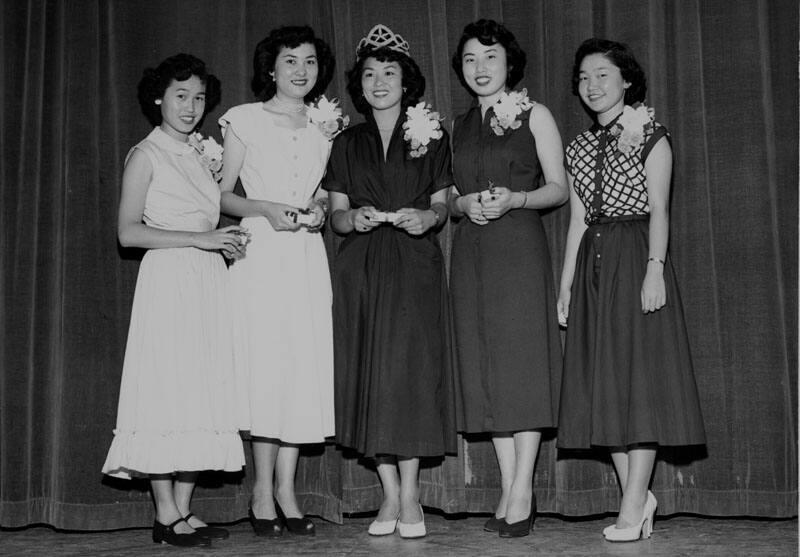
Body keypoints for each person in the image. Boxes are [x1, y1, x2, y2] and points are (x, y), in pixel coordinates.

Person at [556, 38, 706, 542]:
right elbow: (577, 219)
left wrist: (654, 269)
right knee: (605, 385)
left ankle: (634, 501)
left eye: (602, 74)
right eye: (583, 77)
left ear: (625, 81)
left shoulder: (651, 135)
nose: (592, 85)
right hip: (594, 263)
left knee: (638, 382)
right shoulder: (577, 147)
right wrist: (567, 284)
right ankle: (636, 497)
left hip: (636, 254)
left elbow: (660, 208)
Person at [102, 53, 246, 548]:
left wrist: (222, 238)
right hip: (168, 283)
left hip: (205, 282)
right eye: (181, 95)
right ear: (159, 97)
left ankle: (184, 510)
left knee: (200, 389)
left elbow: (204, 217)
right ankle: (164, 514)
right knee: (168, 389)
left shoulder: (197, 155)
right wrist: (199, 239)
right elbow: (127, 232)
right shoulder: (147, 154)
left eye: (199, 97)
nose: (190, 106)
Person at [325, 24, 456, 540]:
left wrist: (430, 218)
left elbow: (444, 200)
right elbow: (334, 211)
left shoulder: (431, 133)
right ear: (359, 83)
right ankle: (387, 493)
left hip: (413, 263)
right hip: (360, 266)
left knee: (409, 375)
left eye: (390, 72)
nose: (380, 81)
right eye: (370, 74)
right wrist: (349, 220)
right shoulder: (346, 142)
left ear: (407, 80)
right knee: (369, 373)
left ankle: (412, 495)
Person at [448, 19, 568, 538]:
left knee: (521, 368)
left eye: (490, 57)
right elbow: (450, 197)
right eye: (471, 59)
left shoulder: (534, 113)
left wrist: (517, 198)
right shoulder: (457, 125)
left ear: (509, 64)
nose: (480, 67)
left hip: (518, 248)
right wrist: (464, 203)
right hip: (473, 251)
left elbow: (558, 188)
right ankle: (507, 485)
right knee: (486, 370)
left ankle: (523, 490)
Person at [216, 26, 336, 538]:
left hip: (306, 256)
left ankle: (288, 490)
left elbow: (325, 192)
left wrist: (319, 208)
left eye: (309, 61)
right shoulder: (243, 119)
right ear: (272, 67)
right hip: (261, 254)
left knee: (300, 370)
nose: (301, 70)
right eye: (291, 61)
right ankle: (262, 491)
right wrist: (264, 208)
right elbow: (221, 195)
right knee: (266, 369)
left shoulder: (324, 123)